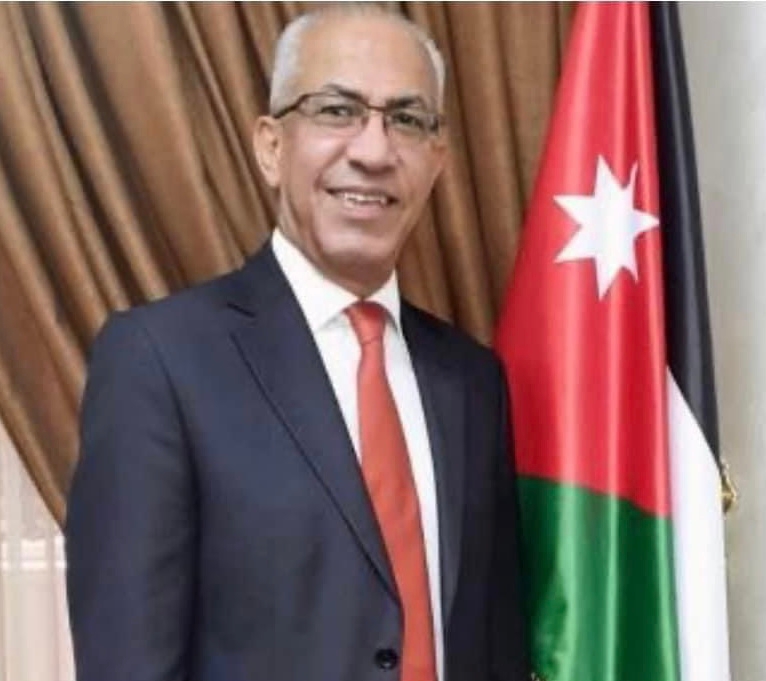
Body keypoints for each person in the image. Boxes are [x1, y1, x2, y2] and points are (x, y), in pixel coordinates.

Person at [65, 6, 529, 681]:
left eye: (407, 119)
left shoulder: (473, 379)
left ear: (437, 161)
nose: (373, 152)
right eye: (337, 110)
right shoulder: (158, 361)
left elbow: (497, 646)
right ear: (271, 147)